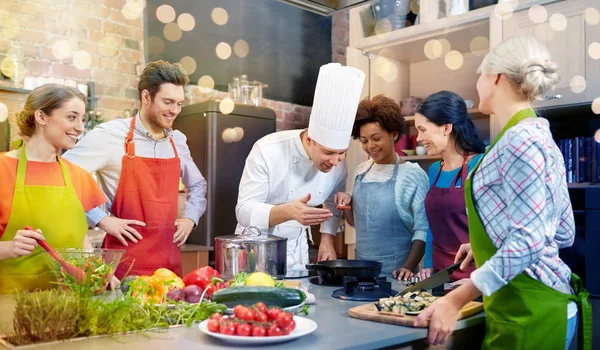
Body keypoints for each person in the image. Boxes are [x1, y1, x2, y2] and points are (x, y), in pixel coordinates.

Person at [415, 36, 591, 350]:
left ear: (495, 77)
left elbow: (530, 241)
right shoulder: (536, 134)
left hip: (529, 308)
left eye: (479, 76)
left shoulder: (520, 142)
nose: (477, 85)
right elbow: (563, 232)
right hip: (527, 302)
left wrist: (456, 298)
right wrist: (488, 243)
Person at [63, 61, 207, 279]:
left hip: (168, 267)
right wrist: (100, 218)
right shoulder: (108, 136)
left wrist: (190, 218)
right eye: (168, 102)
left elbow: (197, 185)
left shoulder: (177, 141)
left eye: (179, 103)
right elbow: (62, 175)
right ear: (146, 97)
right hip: (123, 265)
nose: (175, 111)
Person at [235, 63, 365, 277]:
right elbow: (244, 211)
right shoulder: (268, 150)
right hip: (255, 248)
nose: (336, 161)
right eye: (329, 152)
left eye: (342, 153)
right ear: (310, 139)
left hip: (297, 253)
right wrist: (288, 211)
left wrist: (327, 239)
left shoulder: (339, 161)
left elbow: (332, 201)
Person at [0, 84, 108, 293]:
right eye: (71, 117)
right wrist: (10, 248)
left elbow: (81, 239)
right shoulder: (2, 170)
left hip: (70, 302)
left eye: (82, 119)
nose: (80, 127)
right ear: (41, 117)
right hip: (10, 303)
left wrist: (97, 273)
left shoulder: (78, 176)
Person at [338, 95, 428, 278]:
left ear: (394, 134)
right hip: (361, 271)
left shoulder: (413, 175)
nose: (370, 146)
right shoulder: (361, 171)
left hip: (397, 274)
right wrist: (346, 204)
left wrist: (408, 268)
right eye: (363, 141)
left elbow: (423, 230)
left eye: (376, 138)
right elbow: (355, 222)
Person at [413, 91, 485, 282]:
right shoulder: (434, 170)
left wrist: (479, 279)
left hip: (474, 276)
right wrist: (427, 266)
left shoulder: (481, 165)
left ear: (446, 128)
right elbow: (431, 225)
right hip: (440, 275)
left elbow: (494, 230)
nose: (418, 138)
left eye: (422, 129)